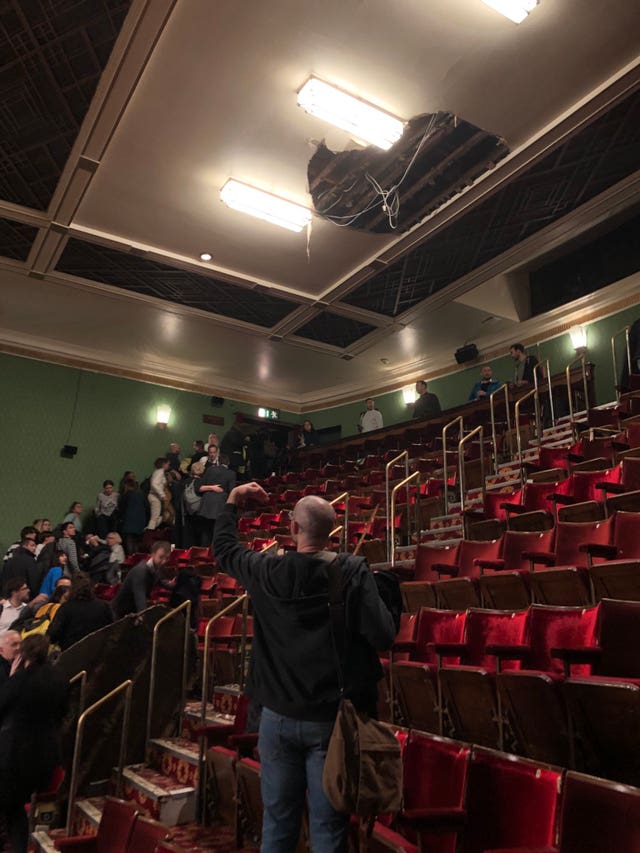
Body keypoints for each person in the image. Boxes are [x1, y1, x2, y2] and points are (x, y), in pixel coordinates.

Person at [213, 482, 397, 852]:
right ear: (332, 532)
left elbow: (224, 549)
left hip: (276, 717)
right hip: (332, 721)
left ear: (293, 530)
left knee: (278, 824)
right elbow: (383, 635)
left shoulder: (266, 571)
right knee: (328, 829)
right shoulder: (351, 572)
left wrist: (232, 502)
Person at [0, 635, 69, 853]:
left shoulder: (20, 680)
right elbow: (62, 714)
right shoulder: (59, 678)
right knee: (20, 809)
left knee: (12, 809)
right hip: (47, 756)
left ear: (24, 655)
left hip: (16, 759)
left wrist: (11, 678)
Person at [48, 572, 113, 652]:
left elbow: (51, 636)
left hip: (70, 655)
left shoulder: (66, 608)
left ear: (72, 588)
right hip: (96, 654)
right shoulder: (103, 606)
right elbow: (111, 630)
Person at [111, 541, 172, 619]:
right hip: (119, 614)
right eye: (161, 557)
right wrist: (143, 616)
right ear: (153, 554)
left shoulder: (156, 567)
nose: (164, 561)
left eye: (166, 558)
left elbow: (161, 581)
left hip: (131, 611)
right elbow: (140, 597)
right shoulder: (141, 571)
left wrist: (176, 583)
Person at [196, 453, 237, 546]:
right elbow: (232, 492)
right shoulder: (231, 474)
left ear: (218, 462)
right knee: (218, 532)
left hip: (206, 505)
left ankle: (204, 552)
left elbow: (201, 486)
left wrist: (212, 487)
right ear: (228, 463)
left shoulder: (210, 470)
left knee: (206, 532)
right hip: (220, 506)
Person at [119, 476, 147, 555]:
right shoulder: (141, 494)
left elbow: (122, 509)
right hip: (140, 522)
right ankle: (136, 560)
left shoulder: (126, 495)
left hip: (129, 522)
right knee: (137, 543)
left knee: (129, 541)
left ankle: (131, 561)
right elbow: (147, 507)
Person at [147, 458, 169, 530]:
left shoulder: (157, 472)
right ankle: (149, 533)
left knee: (158, 516)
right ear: (163, 464)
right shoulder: (160, 472)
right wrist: (162, 495)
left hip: (156, 497)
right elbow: (154, 484)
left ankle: (150, 530)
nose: (168, 466)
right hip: (155, 496)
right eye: (167, 464)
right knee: (155, 517)